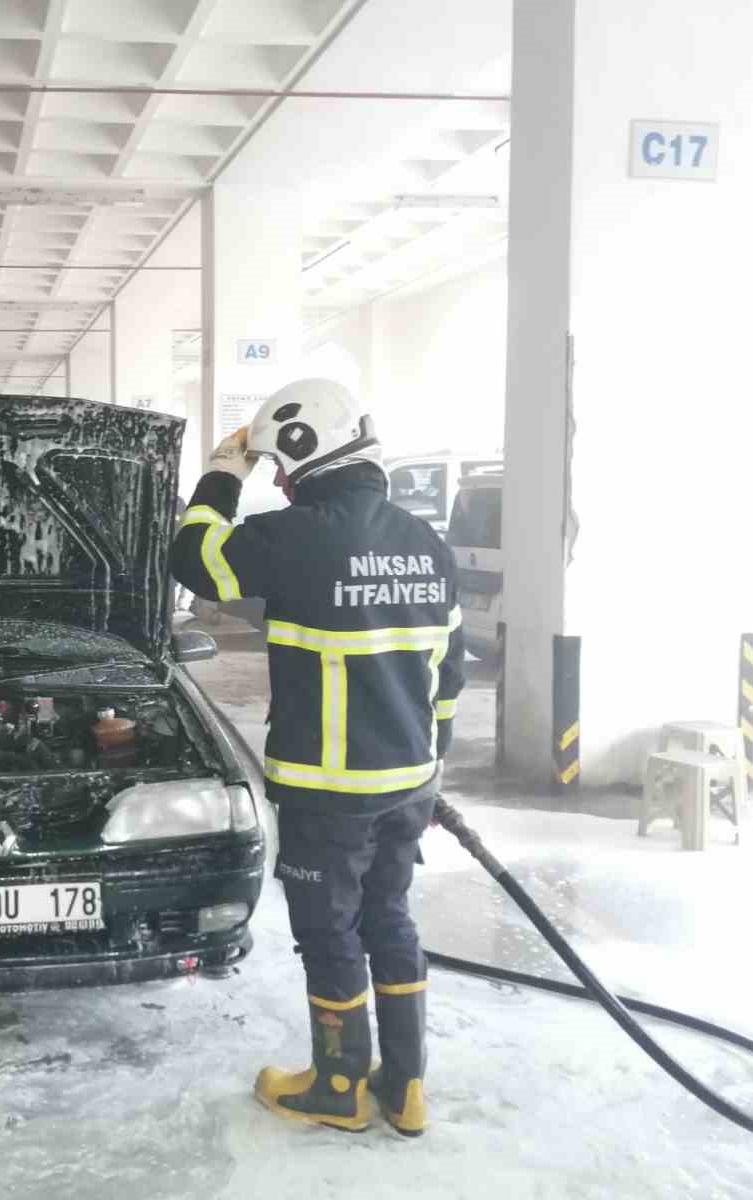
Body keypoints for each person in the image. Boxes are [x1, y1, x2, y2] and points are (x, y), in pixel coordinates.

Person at [171, 379, 463, 1139]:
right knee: (390, 920)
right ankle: (404, 1089)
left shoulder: (301, 536)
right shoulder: (427, 544)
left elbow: (194, 558)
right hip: (407, 785)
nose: (278, 481)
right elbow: (449, 678)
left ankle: (337, 1085)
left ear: (305, 456)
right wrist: (433, 773)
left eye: (279, 467)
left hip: (327, 794)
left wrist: (222, 474)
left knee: (331, 935)